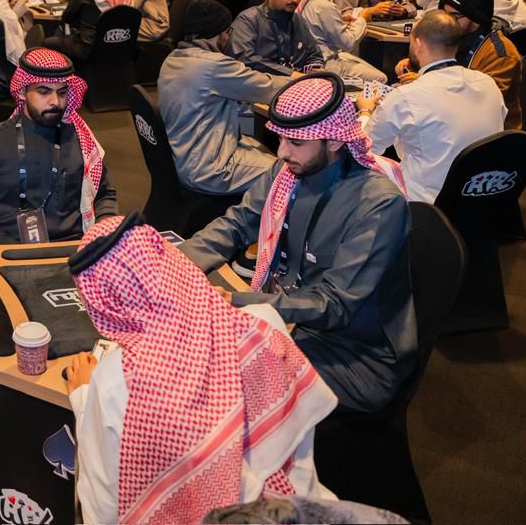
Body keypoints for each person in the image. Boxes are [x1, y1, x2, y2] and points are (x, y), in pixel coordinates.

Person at [66, 214, 337, 525]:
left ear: (101, 303)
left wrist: (84, 396)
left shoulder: (116, 380)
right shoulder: (264, 324)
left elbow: (103, 510)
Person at [179, 72, 415, 413]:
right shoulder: (289, 171)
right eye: (281, 138)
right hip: (293, 320)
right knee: (189, 355)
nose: (282, 151)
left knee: (213, 387)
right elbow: (237, 224)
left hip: (354, 356)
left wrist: (234, 301)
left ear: (334, 142)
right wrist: (173, 265)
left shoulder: (377, 204)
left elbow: (333, 305)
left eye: (296, 142)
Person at [0, 48, 117, 254]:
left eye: (62, 92)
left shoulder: (82, 140)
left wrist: (102, 234)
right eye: (43, 91)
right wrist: (9, 251)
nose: (55, 102)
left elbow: (104, 195)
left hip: (74, 249)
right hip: (10, 250)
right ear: (23, 91)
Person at [357, 11, 505, 202]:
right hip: (483, 192)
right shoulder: (487, 83)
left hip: (426, 202)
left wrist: (366, 110)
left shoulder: (406, 97)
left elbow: (363, 149)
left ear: (418, 44)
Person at [159, 0, 289, 195]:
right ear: (219, 32)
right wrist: (309, 82)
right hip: (208, 168)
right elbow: (268, 88)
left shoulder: (172, 59)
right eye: (228, 31)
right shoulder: (214, 65)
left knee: (262, 149)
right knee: (289, 171)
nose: (229, 38)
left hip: (180, 155)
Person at [434, 0, 523, 129]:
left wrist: (428, 86)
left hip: (489, 132)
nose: (447, 22)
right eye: (445, 15)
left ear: (475, 17)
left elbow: (482, 102)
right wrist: (413, 65)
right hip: (454, 120)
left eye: (454, 16)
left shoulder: (501, 54)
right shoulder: (455, 37)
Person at [297, 0, 387, 83]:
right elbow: (348, 43)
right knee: (380, 78)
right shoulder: (324, 5)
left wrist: (340, 20)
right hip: (325, 64)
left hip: (313, 59)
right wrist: (363, 17)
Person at [229, 0, 324, 75]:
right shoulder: (248, 20)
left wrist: (315, 71)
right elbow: (244, 58)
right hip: (263, 83)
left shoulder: (298, 20)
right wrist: (290, 74)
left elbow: (314, 54)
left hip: (299, 82)